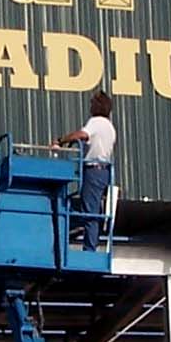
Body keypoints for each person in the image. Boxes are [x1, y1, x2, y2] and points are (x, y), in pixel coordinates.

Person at [55, 92, 115, 250]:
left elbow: (82, 134)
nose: (90, 107)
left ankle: (89, 248)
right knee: (90, 209)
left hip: (93, 170)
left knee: (90, 212)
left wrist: (61, 140)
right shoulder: (110, 127)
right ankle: (80, 234)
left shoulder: (96, 122)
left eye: (91, 104)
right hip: (104, 171)